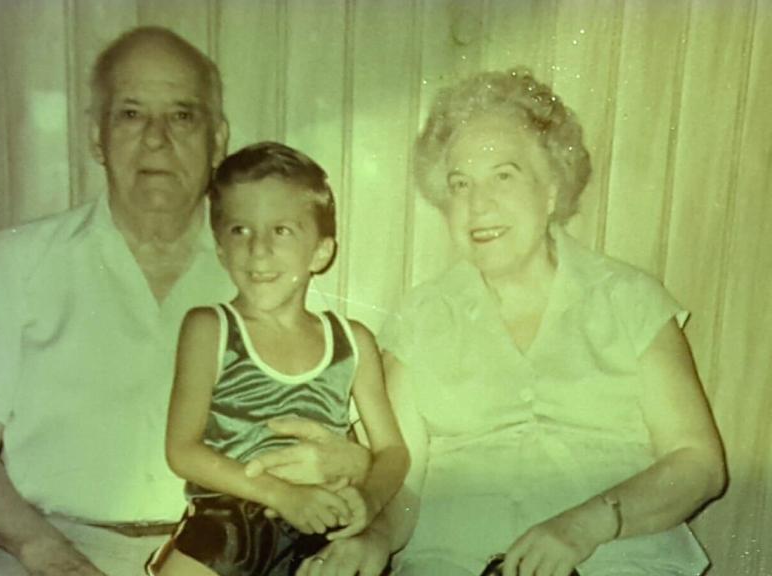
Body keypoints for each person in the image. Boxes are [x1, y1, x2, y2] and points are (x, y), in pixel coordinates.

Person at [0, 27, 367, 576]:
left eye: (182, 116)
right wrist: (40, 549)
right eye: (131, 114)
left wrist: (353, 461)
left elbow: (333, 402)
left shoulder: (264, 267)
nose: (157, 139)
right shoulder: (24, 260)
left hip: (228, 550)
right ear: (96, 136)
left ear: (218, 137)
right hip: (59, 545)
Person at [299, 68, 727, 576]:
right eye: (461, 184)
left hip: (621, 562)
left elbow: (698, 463)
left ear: (551, 189)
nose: (479, 205)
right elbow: (404, 483)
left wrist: (583, 526)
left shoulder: (630, 299)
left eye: (504, 175)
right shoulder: (420, 318)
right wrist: (374, 539)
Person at [152, 142, 409, 576]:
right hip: (228, 530)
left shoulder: (352, 341)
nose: (258, 250)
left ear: (321, 252)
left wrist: (368, 501)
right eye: (240, 231)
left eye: (282, 230)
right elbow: (182, 451)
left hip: (322, 526)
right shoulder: (209, 330)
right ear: (219, 249)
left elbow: (393, 451)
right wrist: (282, 496)